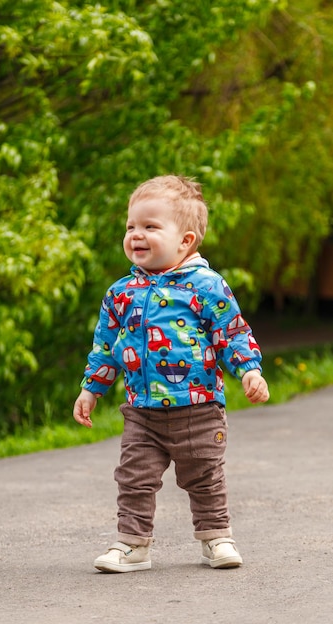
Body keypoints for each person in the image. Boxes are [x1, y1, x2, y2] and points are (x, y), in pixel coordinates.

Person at [73, 174, 269, 573]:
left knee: (204, 476)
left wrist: (249, 370)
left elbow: (232, 332)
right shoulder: (120, 294)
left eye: (150, 226)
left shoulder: (206, 286)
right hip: (142, 411)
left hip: (198, 407)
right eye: (131, 226)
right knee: (134, 479)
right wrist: (91, 389)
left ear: (186, 241)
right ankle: (132, 545)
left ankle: (217, 537)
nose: (136, 235)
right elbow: (106, 347)